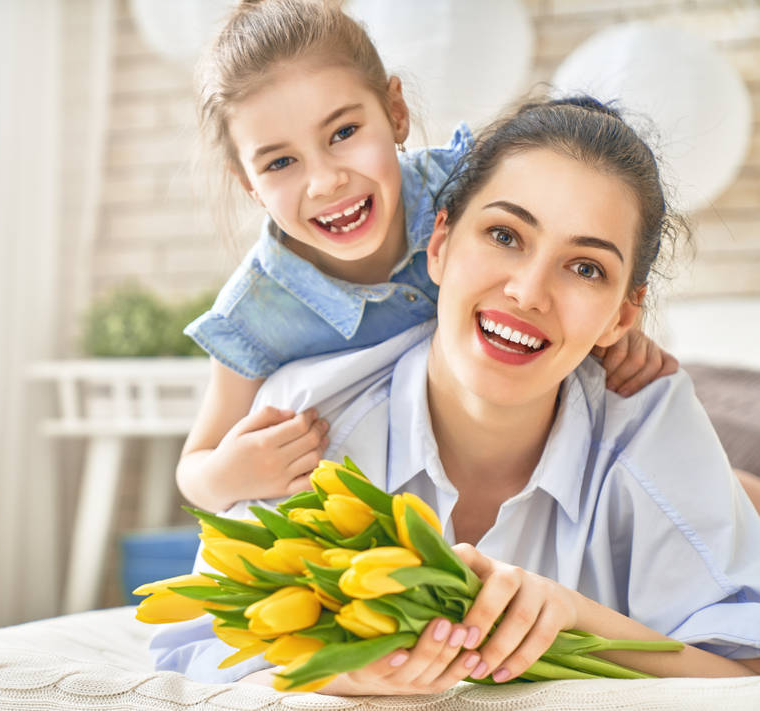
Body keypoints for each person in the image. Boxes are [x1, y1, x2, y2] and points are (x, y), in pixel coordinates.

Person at [150, 96, 760, 692]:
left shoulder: (652, 418)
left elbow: (744, 668)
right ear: (439, 244)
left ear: (620, 318)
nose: (528, 292)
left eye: (585, 268)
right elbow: (200, 641)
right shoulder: (306, 417)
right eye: (504, 234)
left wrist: (572, 616)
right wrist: (334, 671)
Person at [177, 0, 676, 515]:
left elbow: (568, 243)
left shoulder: (465, 189)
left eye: (344, 133)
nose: (325, 181)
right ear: (250, 186)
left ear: (396, 112)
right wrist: (227, 474)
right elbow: (195, 463)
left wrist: (616, 333)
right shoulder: (256, 311)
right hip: (386, 500)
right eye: (281, 162)